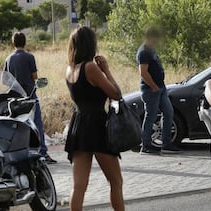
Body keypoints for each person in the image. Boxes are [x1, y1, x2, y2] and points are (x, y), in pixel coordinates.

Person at [65, 27, 124, 211]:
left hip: (78, 125)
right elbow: (116, 94)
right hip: (96, 126)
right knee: (115, 180)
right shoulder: (90, 68)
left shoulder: (70, 69)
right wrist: (106, 70)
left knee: (79, 186)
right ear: (91, 44)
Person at [3, 32, 57, 164]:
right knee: (37, 124)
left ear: (13, 43)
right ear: (25, 42)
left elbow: (4, 80)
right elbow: (35, 77)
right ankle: (43, 152)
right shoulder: (29, 57)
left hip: (15, 99)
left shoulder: (8, 59)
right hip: (30, 96)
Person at [136, 27, 181, 155]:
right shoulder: (143, 52)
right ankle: (146, 145)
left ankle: (166, 144)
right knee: (150, 116)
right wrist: (153, 86)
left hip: (161, 88)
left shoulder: (152, 50)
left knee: (168, 112)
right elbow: (143, 72)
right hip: (151, 90)